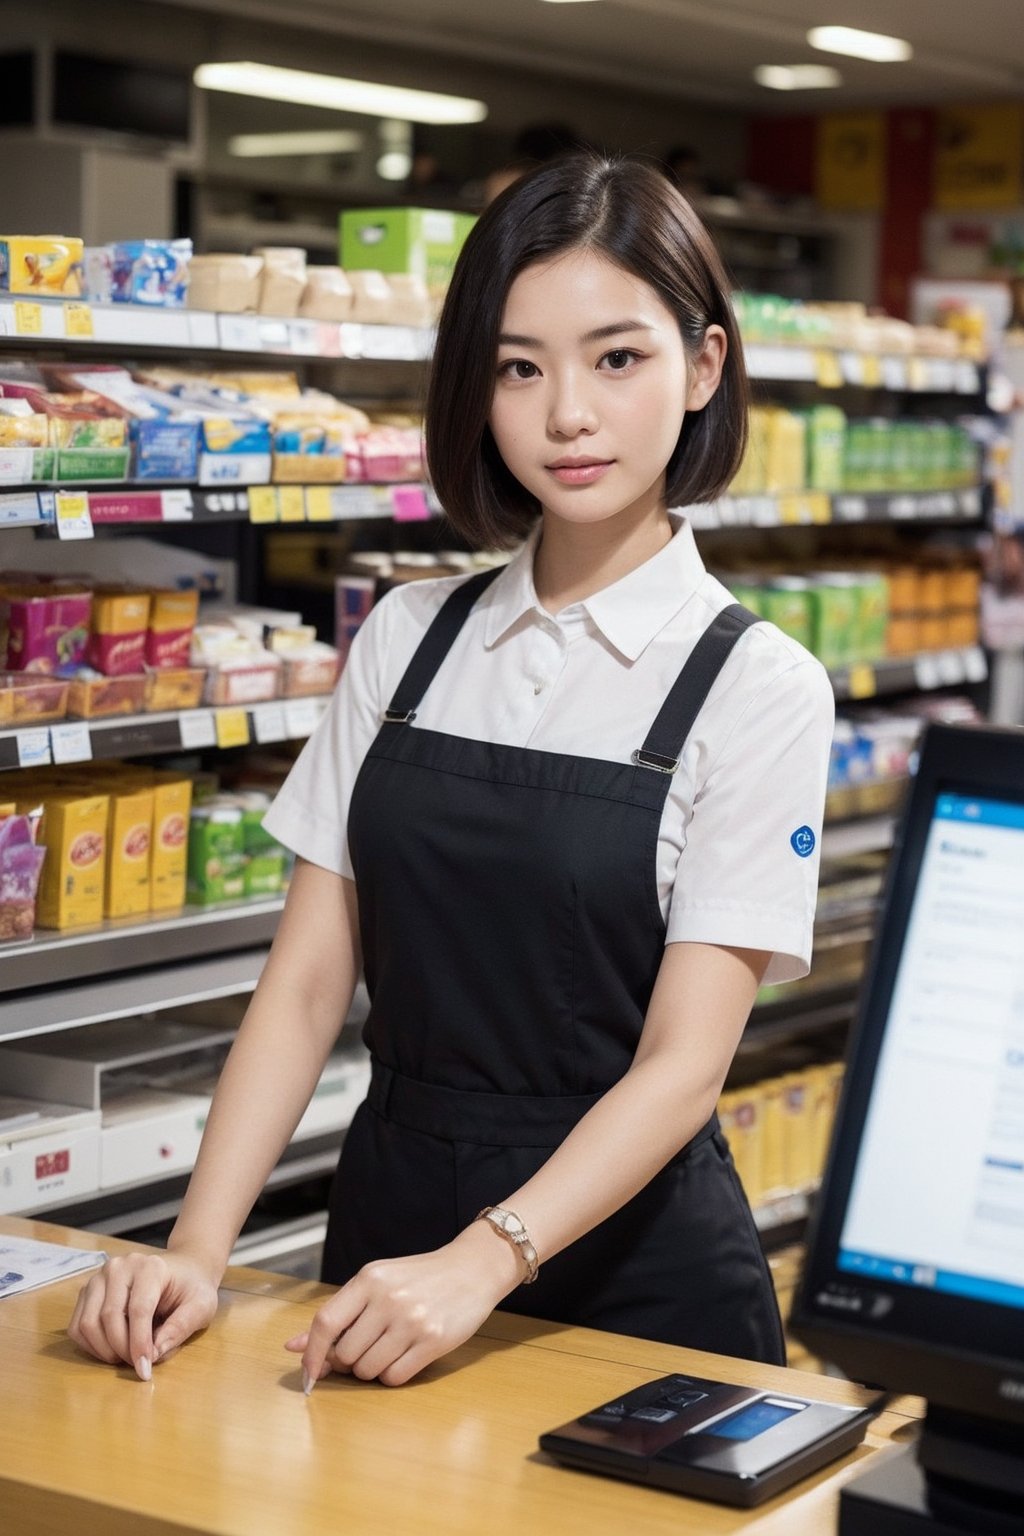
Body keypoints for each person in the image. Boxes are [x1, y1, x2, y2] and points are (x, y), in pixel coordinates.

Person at [68, 153, 834, 1391]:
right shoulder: (408, 639)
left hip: (628, 1281)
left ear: (703, 367)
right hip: (387, 1241)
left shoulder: (758, 686)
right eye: (518, 366)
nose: (566, 413)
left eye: (616, 358)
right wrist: (194, 1250)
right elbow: (309, 987)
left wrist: (484, 1261)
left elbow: (684, 1067)